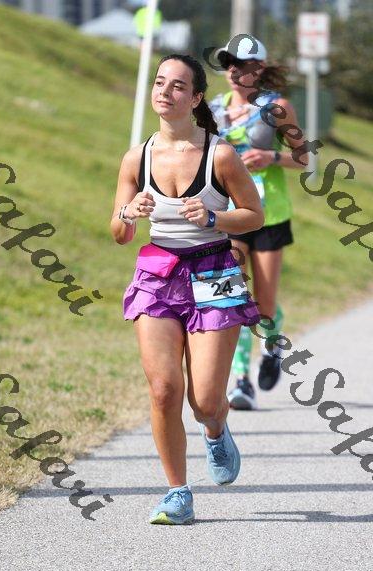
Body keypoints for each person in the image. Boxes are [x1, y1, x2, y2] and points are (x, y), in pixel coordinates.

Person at [110, 54, 264, 525]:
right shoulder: (137, 157)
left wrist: (214, 217)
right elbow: (119, 233)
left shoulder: (220, 155)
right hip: (158, 274)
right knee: (163, 390)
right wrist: (129, 213)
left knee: (205, 401)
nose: (165, 91)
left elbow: (254, 216)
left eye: (178, 86)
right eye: (160, 82)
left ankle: (215, 431)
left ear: (196, 97)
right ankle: (177, 493)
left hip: (215, 270)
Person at [209, 35, 307, 411]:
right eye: (229, 64)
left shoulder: (277, 107)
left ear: (259, 69)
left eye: (243, 65)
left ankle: (272, 343)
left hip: (270, 215)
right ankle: (240, 380)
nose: (235, 72)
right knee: (235, 295)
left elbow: (303, 158)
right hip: (231, 214)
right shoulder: (213, 110)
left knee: (264, 306)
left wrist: (271, 157)